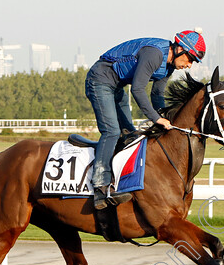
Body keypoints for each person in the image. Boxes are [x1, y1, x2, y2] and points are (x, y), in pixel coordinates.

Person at [86, 30, 206, 209]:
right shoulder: (154, 54)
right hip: (100, 80)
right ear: (180, 48)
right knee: (112, 131)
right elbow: (137, 90)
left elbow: (157, 94)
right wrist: (157, 119)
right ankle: (100, 187)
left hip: (117, 86)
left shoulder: (169, 66)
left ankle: (120, 180)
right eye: (190, 59)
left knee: (130, 134)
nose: (189, 65)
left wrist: (167, 118)